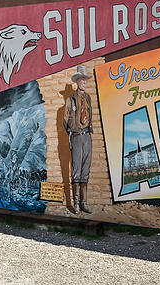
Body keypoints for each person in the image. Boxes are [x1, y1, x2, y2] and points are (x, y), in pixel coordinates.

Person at [63, 65, 93, 213]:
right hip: (76, 136)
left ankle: (84, 203)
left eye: (85, 81)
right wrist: (73, 129)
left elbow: (89, 115)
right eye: (81, 80)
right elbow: (65, 119)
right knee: (76, 171)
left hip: (87, 135)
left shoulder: (88, 98)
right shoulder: (71, 99)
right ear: (77, 82)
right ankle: (75, 204)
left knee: (85, 170)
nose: (83, 83)